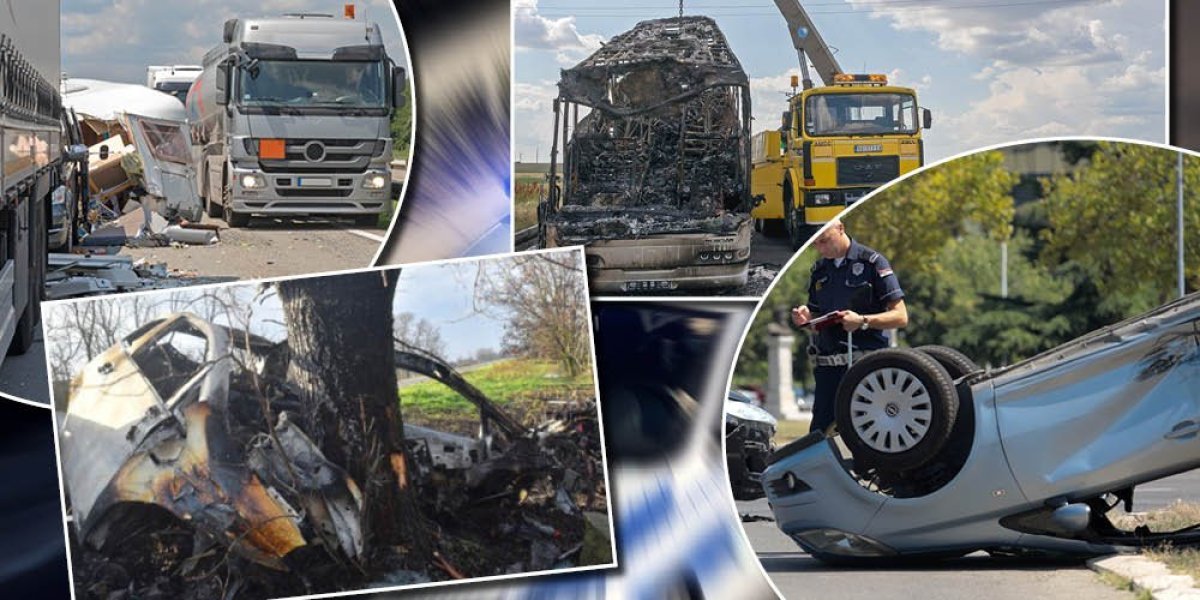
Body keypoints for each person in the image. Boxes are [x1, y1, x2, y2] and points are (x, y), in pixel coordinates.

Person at [790, 219, 908, 434]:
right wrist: (806, 317)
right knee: (820, 436)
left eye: (825, 241)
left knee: (867, 434)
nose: (820, 248)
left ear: (841, 228)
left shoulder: (873, 263)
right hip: (828, 369)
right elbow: (817, 316)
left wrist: (862, 321)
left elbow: (901, 317)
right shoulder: (819, 270)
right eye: (815, 244)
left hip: (864, 367)